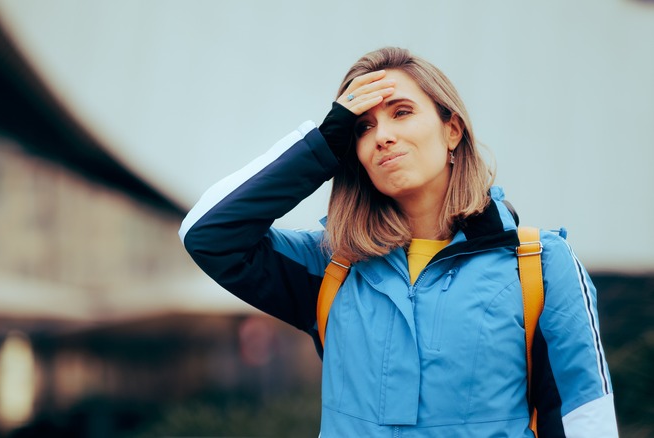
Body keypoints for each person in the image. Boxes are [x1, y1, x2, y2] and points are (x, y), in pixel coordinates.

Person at [179, 47, 617, 437]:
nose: (382, 136)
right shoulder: (330, 267)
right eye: (362, 127)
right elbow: (208, 233)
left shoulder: (539, 264)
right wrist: (322, 145)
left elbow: (586, 416)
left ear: (452, 130)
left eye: (401, 112)